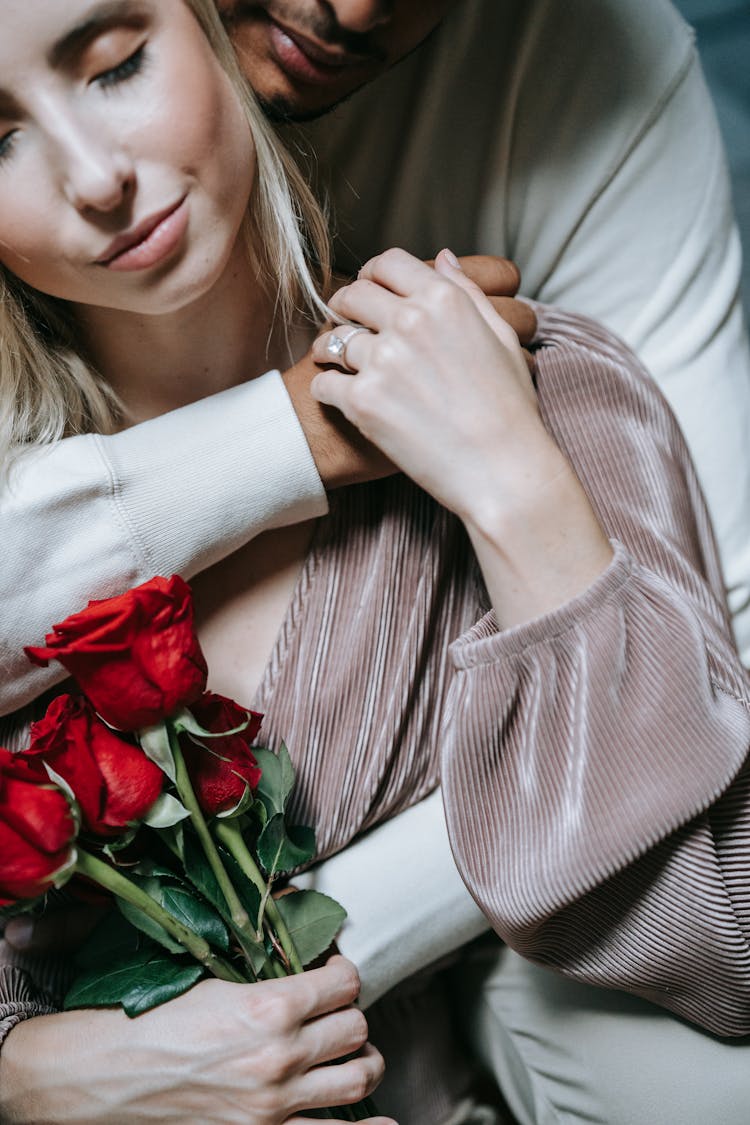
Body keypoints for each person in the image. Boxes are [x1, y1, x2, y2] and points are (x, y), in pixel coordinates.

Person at [1, 5, 750, 1125]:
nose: (97, 177)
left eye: (118, 66)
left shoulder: (548, 395)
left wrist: (514, 483)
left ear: (215, 36)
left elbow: (725, 938)